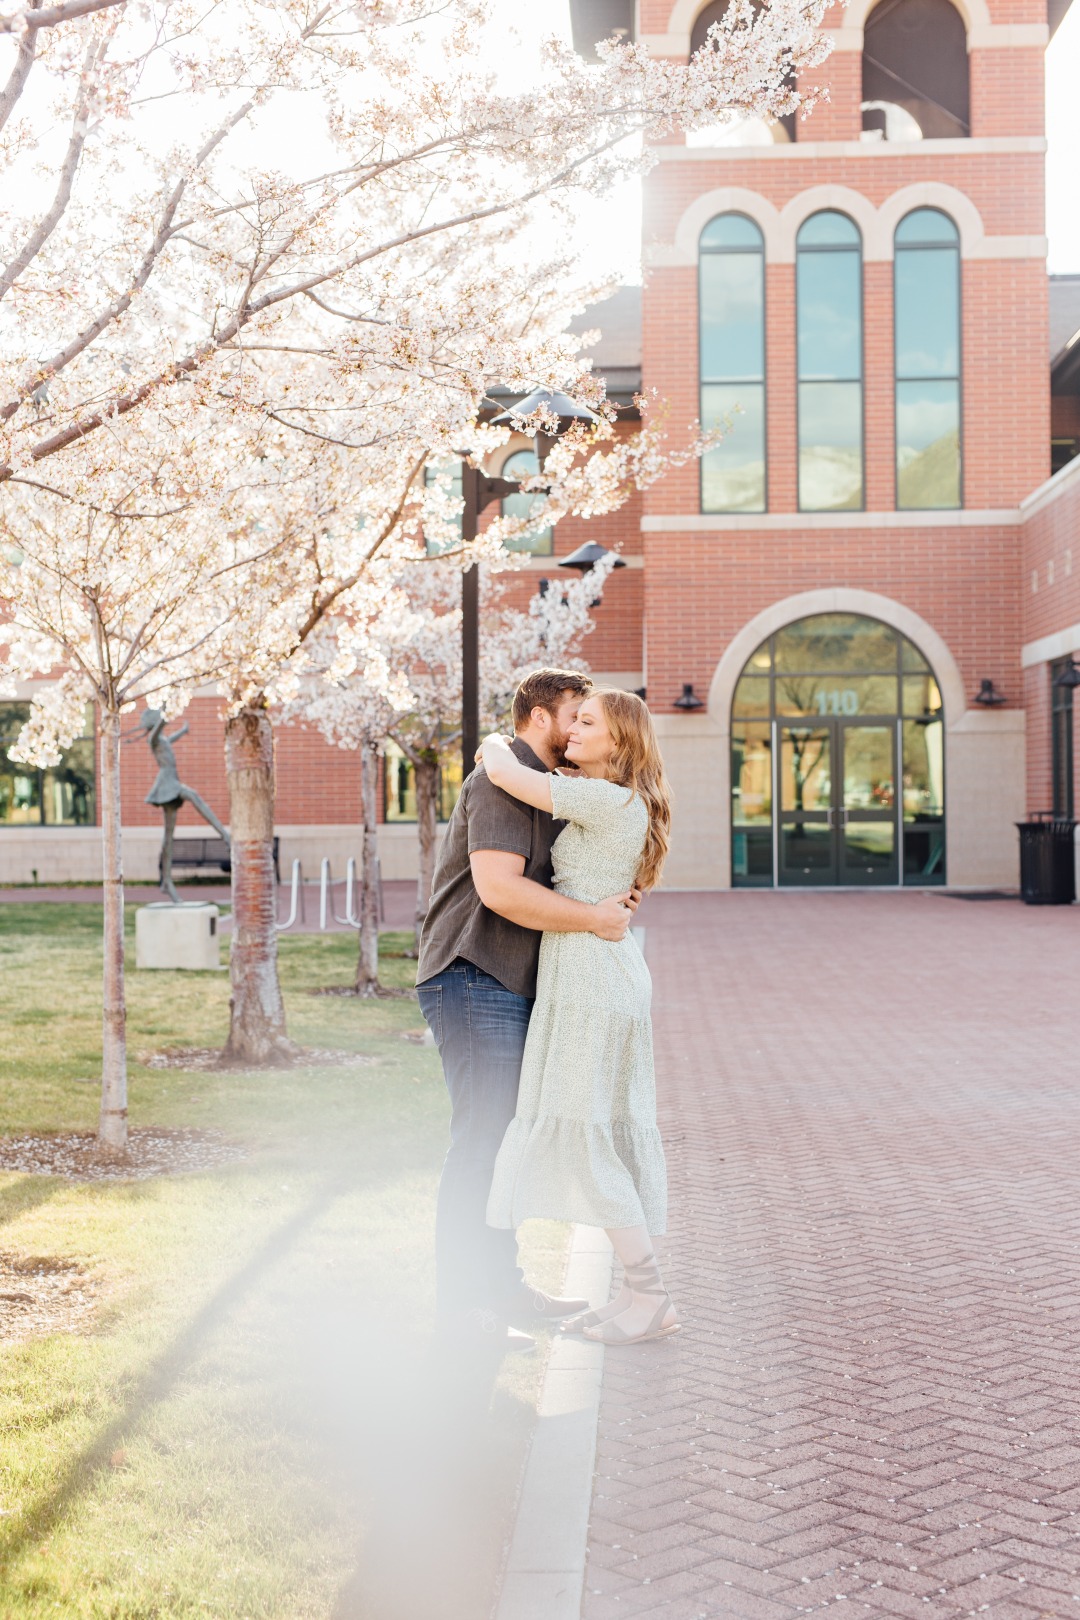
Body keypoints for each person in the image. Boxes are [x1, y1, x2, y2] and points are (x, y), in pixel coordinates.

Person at [415, 669, 641, 1354]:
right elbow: (500, 891)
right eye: (574, 715)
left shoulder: (542, 789)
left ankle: (501, 1288)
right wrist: (594, 922)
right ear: (541, 715)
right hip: (473, 971)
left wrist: (610, 902)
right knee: (481, 1144)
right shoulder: (498, 782)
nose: (578, 729)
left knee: (500, 1146)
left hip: (508, 982)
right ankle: (463, 1310)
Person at [482, 689, 678, 1347]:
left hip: (592, 980)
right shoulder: (616, 800)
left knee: (588, 1134)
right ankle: (635, 1296)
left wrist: (490, 742)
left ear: (619, 743)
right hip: (597, 973)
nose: (574, 729)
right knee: (601, 1131)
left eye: (588, 723)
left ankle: (650, 1297)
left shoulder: (605, 801)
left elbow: (507, 774)